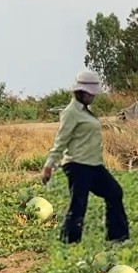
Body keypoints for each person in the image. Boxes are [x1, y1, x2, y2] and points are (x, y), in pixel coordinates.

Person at [42, 70, 129, 244]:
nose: (93, 97)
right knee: (79, 204)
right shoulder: (71, 113)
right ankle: (69, 241)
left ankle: (117, 237)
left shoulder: (86, 111)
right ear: (80, 92)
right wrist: (49, 166)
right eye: (90, 94)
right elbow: (61, 140)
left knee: (114, 193)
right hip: (77, 164)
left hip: (93, 165)